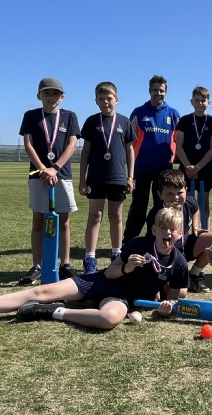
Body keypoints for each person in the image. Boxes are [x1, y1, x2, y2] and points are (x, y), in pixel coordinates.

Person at [0, 208, 189, 329]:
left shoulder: (179, 262)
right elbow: (109, 272)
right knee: (43, 291)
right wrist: (126, 267)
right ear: (154, 230)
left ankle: (53, 311)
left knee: (108, 319)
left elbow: (173, 298)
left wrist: (166, 309)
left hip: (122, 298)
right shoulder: (139, 244)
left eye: (173, 229)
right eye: (163, 227)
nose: (167, 232)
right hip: (101, 281)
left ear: (180, 234)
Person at [18, 78, 81, 285]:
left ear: (62, 97)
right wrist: (43, 169)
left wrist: (56, 167)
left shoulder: (69, 117)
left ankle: (65, 264)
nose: (51, 97)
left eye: (55, 93)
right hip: (38, 175)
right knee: (38, 219)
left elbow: (72, 144)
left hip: (62, 175)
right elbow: (28, 145)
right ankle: (37, 266)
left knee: (63, 220)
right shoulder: (31, 116)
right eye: (46, 93)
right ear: (39, 96)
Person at [79, 82, 136, 274]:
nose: (105, 102)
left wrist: (130, 177)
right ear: (96, 101)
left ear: (116, 100)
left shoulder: (124, 122)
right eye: (101, 99)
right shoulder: (91, 122)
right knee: (95, 216)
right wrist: (82, 179)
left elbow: (130, 151)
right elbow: (85, 152)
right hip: (95, 177)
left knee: (116, 217)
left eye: (109, 99)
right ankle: (90, 258)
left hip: (117, 178)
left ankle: (116, 255)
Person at [123, 75, 180, 243]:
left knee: (161, 207)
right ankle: (129, 240)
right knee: (138, 206)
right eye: (155, 90)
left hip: (164, 169)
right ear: (150, 91)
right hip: (142, 167)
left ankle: (155, 239)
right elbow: (129, 142)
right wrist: (130, 171)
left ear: (166, 92)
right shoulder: (139, 113)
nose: (158, 93)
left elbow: (179, 141)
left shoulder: (173, 114)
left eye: (161, 90)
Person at [145, 170, 212, 293]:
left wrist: (195, 227)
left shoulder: (189, 202)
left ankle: (194, 274)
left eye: (179, 193)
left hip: (184, 247)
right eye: (169, 193)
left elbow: (196, 208)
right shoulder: (155, 214)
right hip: (166, 255)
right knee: (177, 292)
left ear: (186, 190)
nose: (175, 197)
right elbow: (152, 244)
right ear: (160, 195)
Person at [175, 86, 212, 229]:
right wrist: (189, 167)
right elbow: (178, 145)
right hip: (186, 168)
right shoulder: (184, 120)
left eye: (203, 100)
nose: (200, 103)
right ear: (191, 102)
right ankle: (185, 232)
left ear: (208, 103)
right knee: (185, 201)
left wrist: (198, 167)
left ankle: (205, 231)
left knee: (203, 202)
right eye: (197, 100)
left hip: (204, 168)